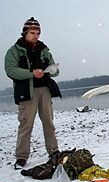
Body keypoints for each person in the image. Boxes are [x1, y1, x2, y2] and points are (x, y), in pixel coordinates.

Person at [4, 17, 62, 170]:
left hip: (45, 90)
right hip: (26, 93)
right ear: (25, 33)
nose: (36, 36)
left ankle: (54, 152)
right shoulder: (14, 50)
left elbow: (55, 71)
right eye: (32, 33)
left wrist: (54, 70)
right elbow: (10, 70)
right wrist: (31, 73)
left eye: (38, 33)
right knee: (26, 125)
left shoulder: (44, 49)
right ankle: (21, 157)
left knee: (49, 123)